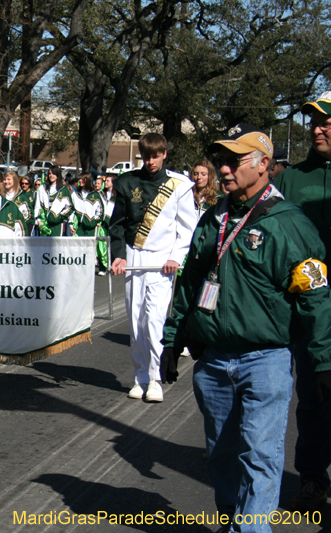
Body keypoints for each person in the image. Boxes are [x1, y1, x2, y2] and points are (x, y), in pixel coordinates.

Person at [164, 123, 331, 531]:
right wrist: (173, 338)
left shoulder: (289, 223)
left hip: (266, 360)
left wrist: (324, 359)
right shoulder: (213, 218)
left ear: (263, 165)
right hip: (215, 362)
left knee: (259, 455)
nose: (223, 169)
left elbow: (316, 296)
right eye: (220, 161)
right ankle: (233, 522)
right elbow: (191, 281)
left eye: (234, 161)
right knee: (221, 456)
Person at [274, 92, 331, 513]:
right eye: (313, 121)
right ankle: (312, 478)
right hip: (308, 310)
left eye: (326, 121)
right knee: (312, 396)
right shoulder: (291, 179)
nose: (318, 128)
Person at [109, 132, 197, 403]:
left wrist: (176, 258)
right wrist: (119, 255)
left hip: (162, 262)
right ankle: (140, 377)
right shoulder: (127, 182)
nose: (150, 161)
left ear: (164, 154)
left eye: (155, 156)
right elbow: (118, 224)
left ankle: (156, 378)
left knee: (155, 321)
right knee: (136, 323)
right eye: (146, 156)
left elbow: (187, 228)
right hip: (135, 258)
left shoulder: (180, 185)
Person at [72, 173, 105, 237]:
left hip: (91, 228)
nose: (80, 181)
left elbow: (100, 210)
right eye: (80, 179)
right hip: (78, 227)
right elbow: (71, 209)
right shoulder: (75, 194)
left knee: (89, 246)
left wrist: (95, 221)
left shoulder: (95, 195)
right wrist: (71, 223)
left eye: (82, 179)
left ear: (88, 180)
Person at [34, 167, 63, 235]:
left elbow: (70, 207)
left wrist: (59, 217)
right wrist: (39, 220)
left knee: (56, 244)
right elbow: (38, 205)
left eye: (54, 173)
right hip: (43, 223)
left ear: (58, 175)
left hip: (57, 224)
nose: (51, 175)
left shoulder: (63, 189)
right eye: (50, 173)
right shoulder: (42, 188)